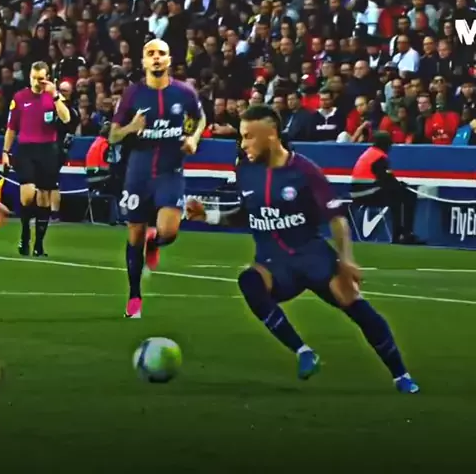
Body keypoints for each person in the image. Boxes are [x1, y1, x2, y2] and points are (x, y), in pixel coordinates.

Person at [186, 104, 419, 393]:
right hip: (274, 264)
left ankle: (401, 376)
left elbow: (336, 218)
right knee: (249, 281)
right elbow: (248, 214)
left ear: (271, 134)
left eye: (248, 136)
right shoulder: (245, 170)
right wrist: (208, 215)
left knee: (359, 309)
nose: (243, 144)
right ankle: (303, 352)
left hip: (313, 258)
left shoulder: (305, 171)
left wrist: (346, 259)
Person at [109, 39, 206, 319]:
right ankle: (134, 297)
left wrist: (193, 138)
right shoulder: (132, 94)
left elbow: (200, 119)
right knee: (135, 234)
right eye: (150, 53)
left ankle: (156, 242)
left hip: (170, 171)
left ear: (169, 60)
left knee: (169, 231)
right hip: (138, 173)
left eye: (161, 53)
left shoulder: (184, 92)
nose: (156, 58)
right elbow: (113, 136)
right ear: (143, 61)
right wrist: (131, 127)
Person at [2, 61, 71, 256]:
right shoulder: (20, 98)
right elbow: (11, 128)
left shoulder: (53, 97)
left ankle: (39, 244)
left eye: (41, 79)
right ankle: (25, 233)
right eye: (34, 78)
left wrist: (55, 95)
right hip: (26, 149)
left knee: (44, 197)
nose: (37, 82)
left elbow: (66, 118)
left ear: (47, 78)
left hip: (48, 149)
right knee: (27, 194)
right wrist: (5, 151)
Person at [350, 131, 423, 244]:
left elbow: (385, 179)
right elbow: (386, 180)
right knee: (406, 196)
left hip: (359, 193)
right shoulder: (379, 157)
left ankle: (402, 234)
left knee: (397, 194)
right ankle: (403, 235)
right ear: (385, 144)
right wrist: (400, 185)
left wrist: (397, 185)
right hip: (367, 194)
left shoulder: (369, 153)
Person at [50, 80, 80, 221]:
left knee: (52, 181)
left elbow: (70, 127)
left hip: (59, 149)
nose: (62, 93)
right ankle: (43, 211)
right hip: (45, 146)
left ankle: (54, 213)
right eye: (60, 90)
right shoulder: (50, 107)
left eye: (65, 91)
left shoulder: (72, 111)